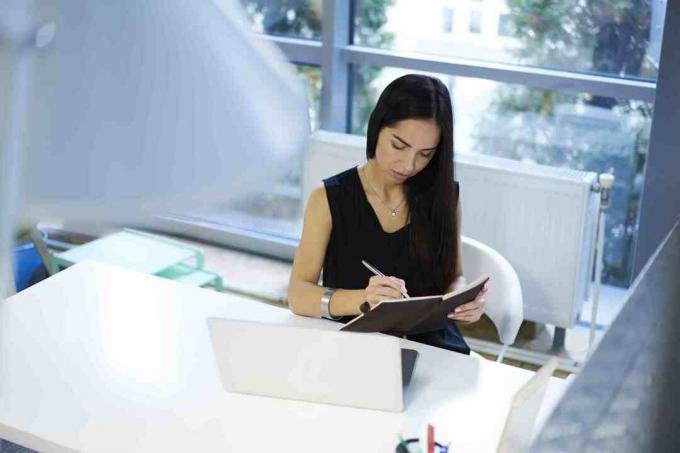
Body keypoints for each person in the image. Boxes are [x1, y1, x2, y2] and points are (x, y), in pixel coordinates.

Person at [287, 74, 486, 354]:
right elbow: (298, 295)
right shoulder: (328, 199)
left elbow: (455, 276)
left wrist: (463, 300)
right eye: (399, 146)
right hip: (357, 348)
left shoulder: (445, 196)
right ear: (377, 127)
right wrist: (364, 299)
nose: (409, 164)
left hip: (434, 348)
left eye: (426, 154)